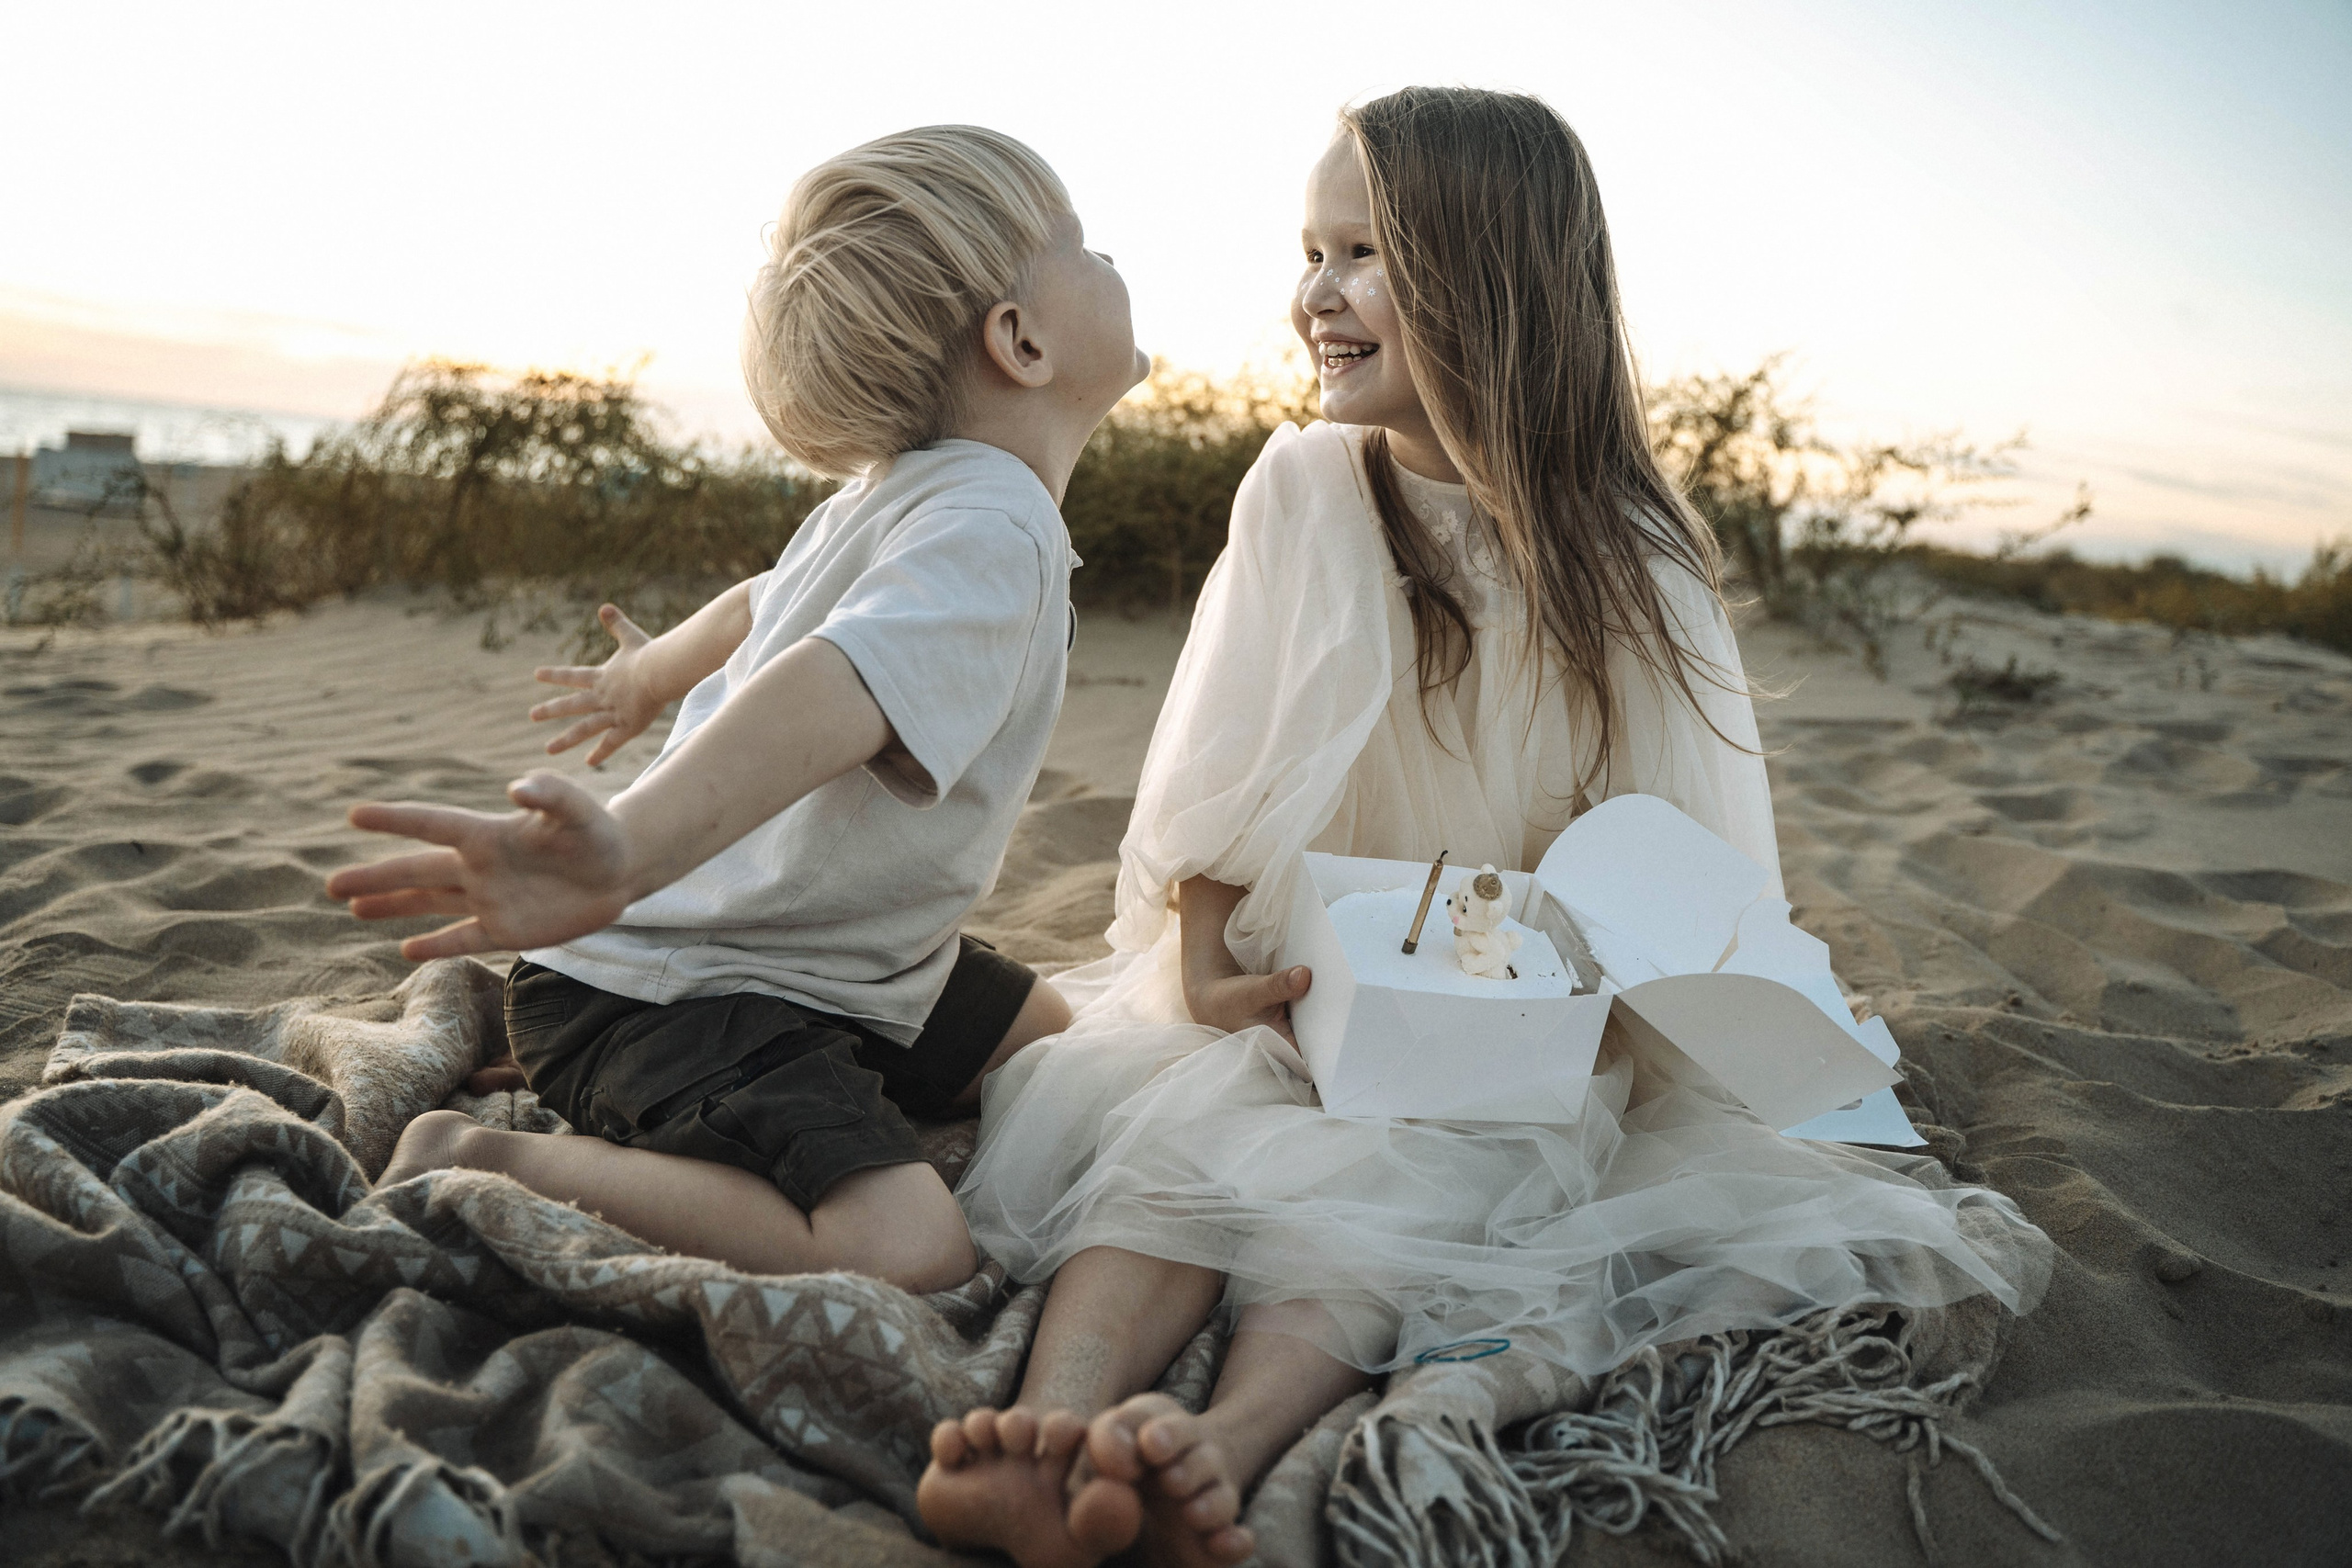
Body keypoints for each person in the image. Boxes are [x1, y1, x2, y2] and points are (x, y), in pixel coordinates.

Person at [915, 88, 2054, 1568]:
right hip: (1293, 968)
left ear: (1487, 281)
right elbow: (1220, 758)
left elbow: (1665, 850)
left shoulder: (1625, 552)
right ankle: (1059, 1422)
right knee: (1174, 1140)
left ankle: (1221, 1439)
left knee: (1386, 1198)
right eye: (1308, 250)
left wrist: (1546, 1023)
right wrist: (1202, 957)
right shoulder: (1305, 489)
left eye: (1360, 254)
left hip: (1508, 1010)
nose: (1312, 295)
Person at [326, 124, 1148, 1295]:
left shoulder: (891, 501)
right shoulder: (994, 528)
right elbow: (834, 683)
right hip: (682, 986)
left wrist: (646, 676)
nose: (1108, 257)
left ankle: (619, 1089)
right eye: (1079, 243)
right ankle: (480, 1150)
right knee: (908, 1247)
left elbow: (763, 608)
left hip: (821, 963)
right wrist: (625, 851)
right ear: (1018, 341)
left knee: (1048, 1048)